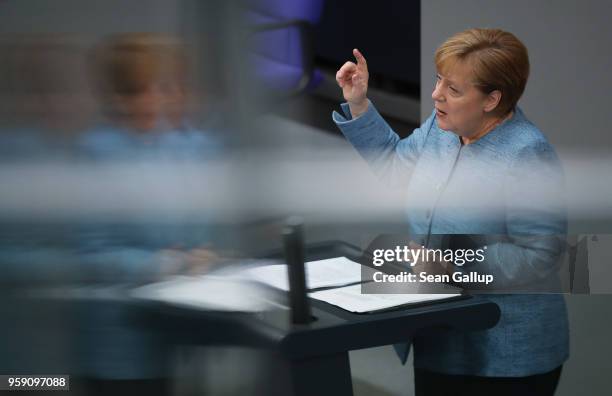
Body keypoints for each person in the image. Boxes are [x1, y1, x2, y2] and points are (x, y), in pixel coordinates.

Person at [333, 28, 568, 396]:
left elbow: (541, 254)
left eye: (454, 90)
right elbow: (396, 167)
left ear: (492, 99)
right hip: (439, 338)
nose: (436, 95)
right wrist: (360, 104)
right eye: (440, 80)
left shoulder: (527, 154)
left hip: (507, 357)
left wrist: (456, 264)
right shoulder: (440, 129)